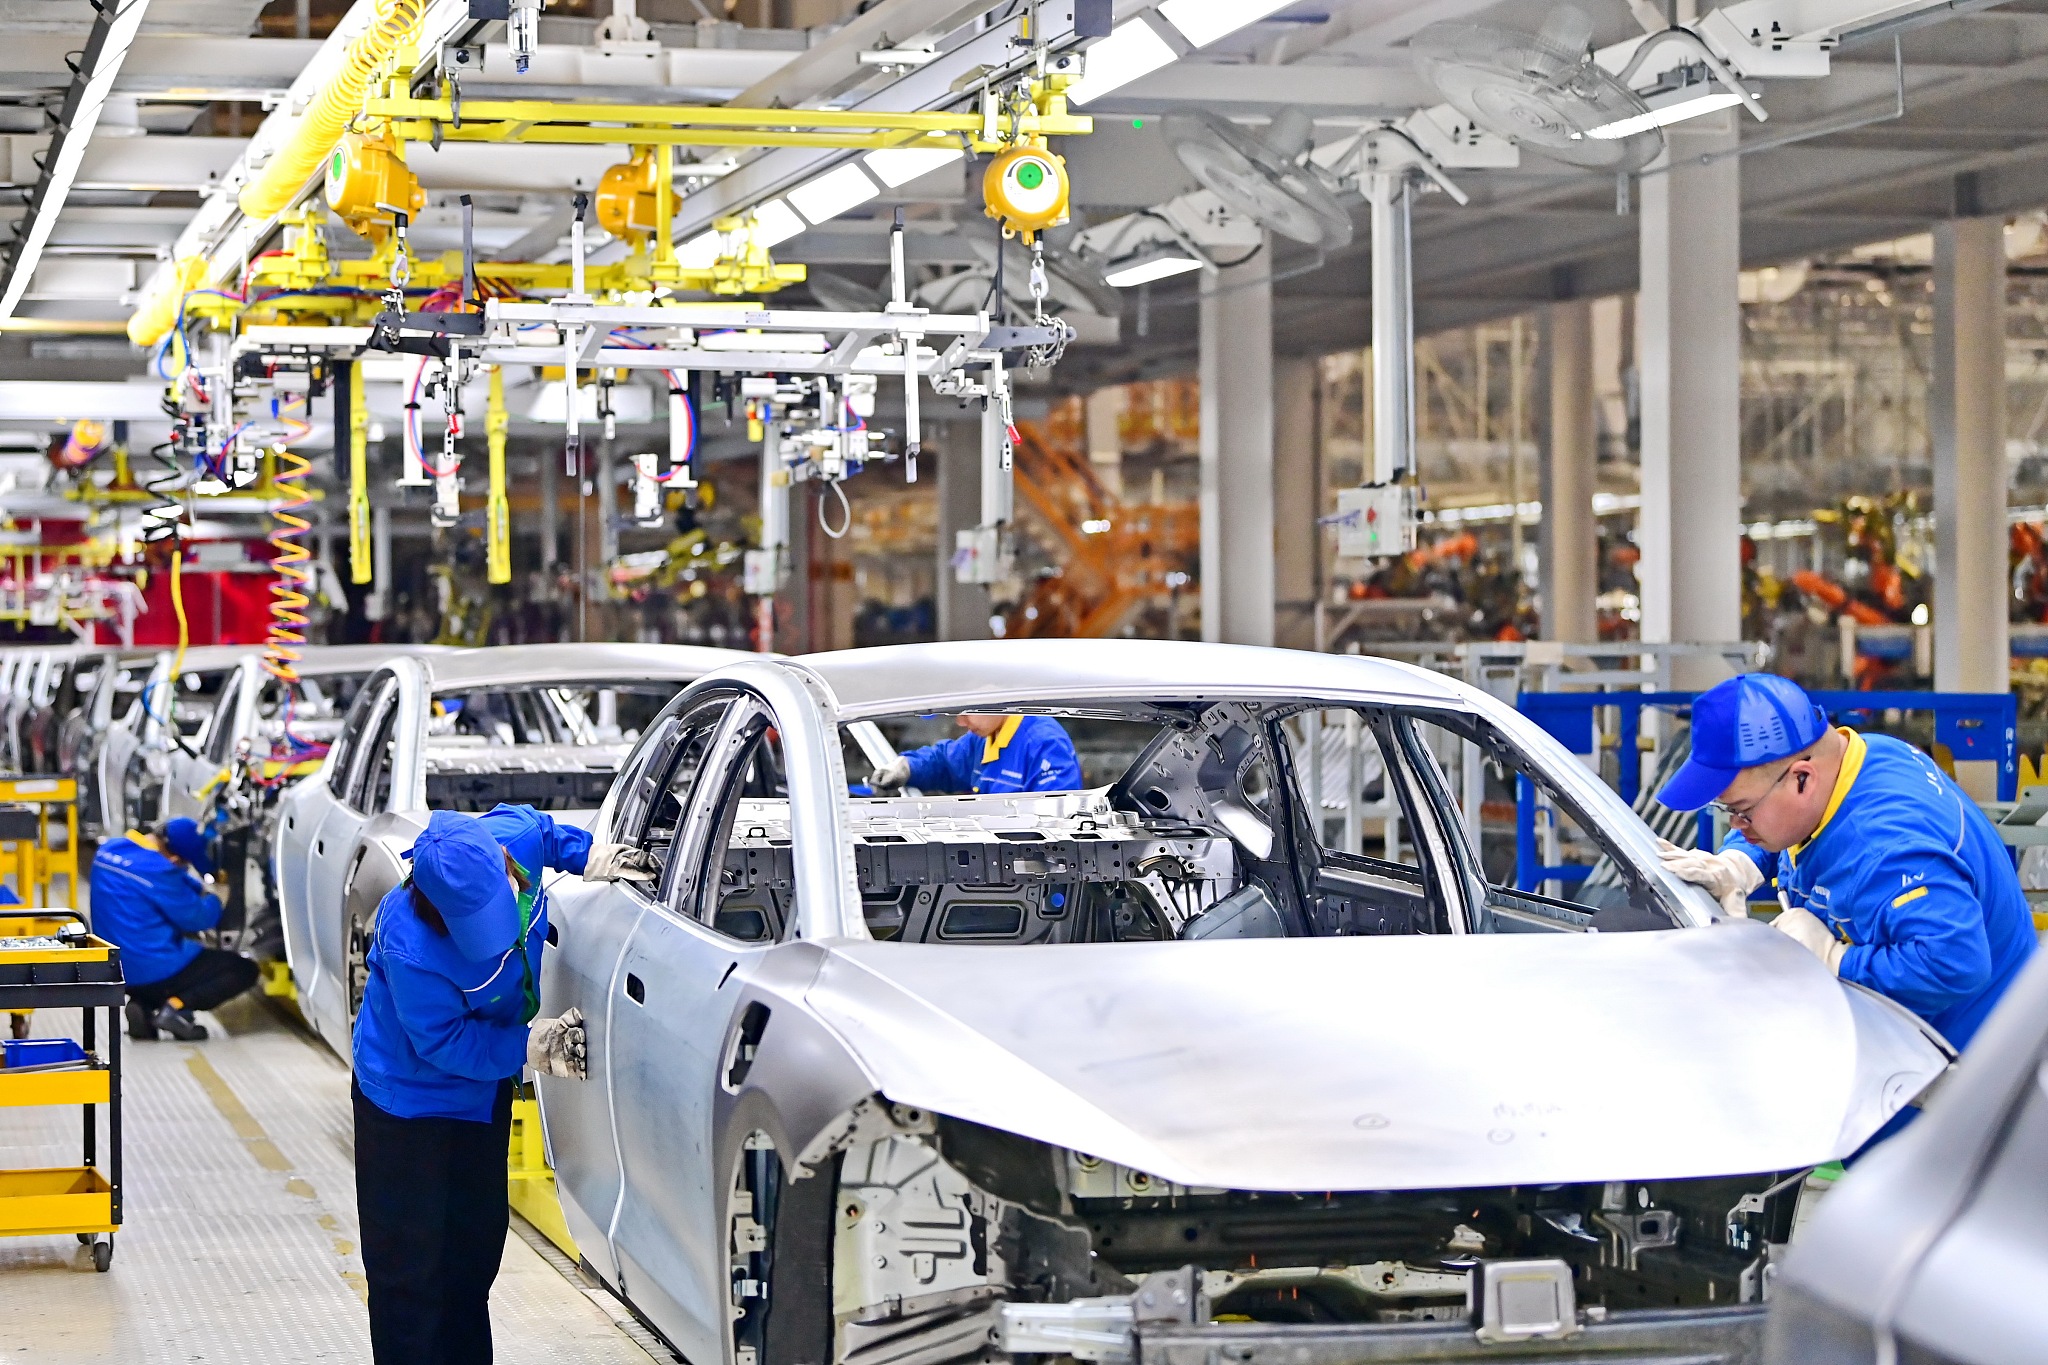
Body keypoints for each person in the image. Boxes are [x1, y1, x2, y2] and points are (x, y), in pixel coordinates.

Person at [352, 802, 633, 1365]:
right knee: (410, 1267)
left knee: (474, 1251)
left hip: (481, 1096)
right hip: (409, 1105)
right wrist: (528, 1047)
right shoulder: (411, 940)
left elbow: (545, 832)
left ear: (507, 865)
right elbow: (442, 1043)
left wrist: (590, 856)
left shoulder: (507, 840)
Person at [1656, 672, 2035, 1054]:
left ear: (1803, 779)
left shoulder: (1888, 848)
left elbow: (1957, 964)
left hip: (1970, 1057)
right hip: (1901, 1038)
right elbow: (1789, 820)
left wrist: (1837, 959)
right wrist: (1741, 860)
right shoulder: (1850, 759)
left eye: (1741, 811)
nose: (1737, 825)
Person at [91, 816, 258, 1041]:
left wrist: (198, 886)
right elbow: (199, 919)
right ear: (174, 857)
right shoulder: (160, 871)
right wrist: (218, 897)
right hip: (154, 969)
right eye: (183, 864)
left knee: (172, 952)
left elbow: (175, 883)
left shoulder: (109, 850)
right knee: (242, 969)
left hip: (115, 969)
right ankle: (176, 1008)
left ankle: (144, 1006)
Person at [868, 713, 1083, 795]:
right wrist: (906, 767)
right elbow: (943, 763)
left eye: (968, 710)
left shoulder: (1044, 744)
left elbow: (1058, 822)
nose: (961, 722)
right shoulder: (982, 739)